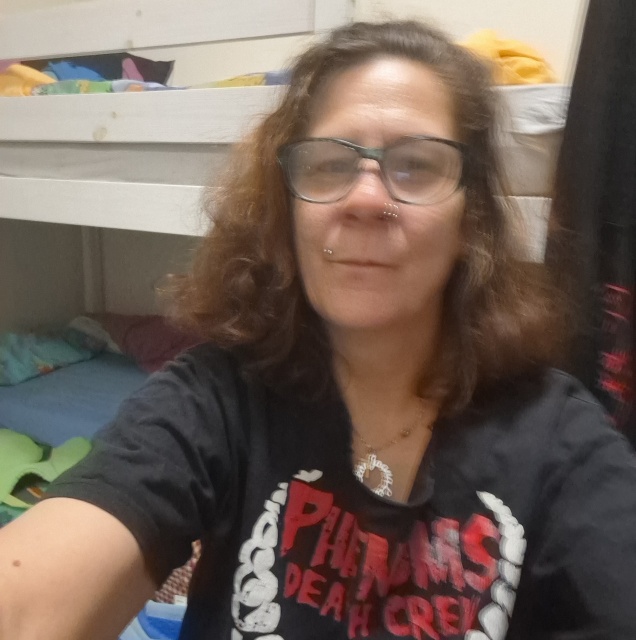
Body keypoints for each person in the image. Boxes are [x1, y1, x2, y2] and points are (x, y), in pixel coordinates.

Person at [1, 19, 636, 640]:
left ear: (471, 217)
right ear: (288, 207)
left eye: (417, 164)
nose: (365, 199)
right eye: (330, 164)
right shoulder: (216, 401)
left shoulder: (559, 441)